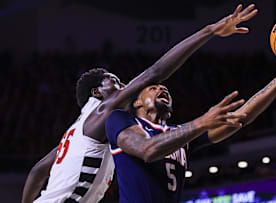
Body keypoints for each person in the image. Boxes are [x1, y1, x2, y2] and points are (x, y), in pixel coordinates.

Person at [21, 3, 259, 203]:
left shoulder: (75, 134)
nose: (123, 87)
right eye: (114, 82)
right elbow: (155, 72)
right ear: (97, 93)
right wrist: (209, 31)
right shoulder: (102, 110)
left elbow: (38, 171)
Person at [105, 51, 276, 203]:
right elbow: (147, 149)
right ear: (137, 102)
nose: (162, 88)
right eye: (153, 88)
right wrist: (201, 122)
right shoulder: (121, 120)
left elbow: (240, 118)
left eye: (164, 88)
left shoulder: (179, 135)